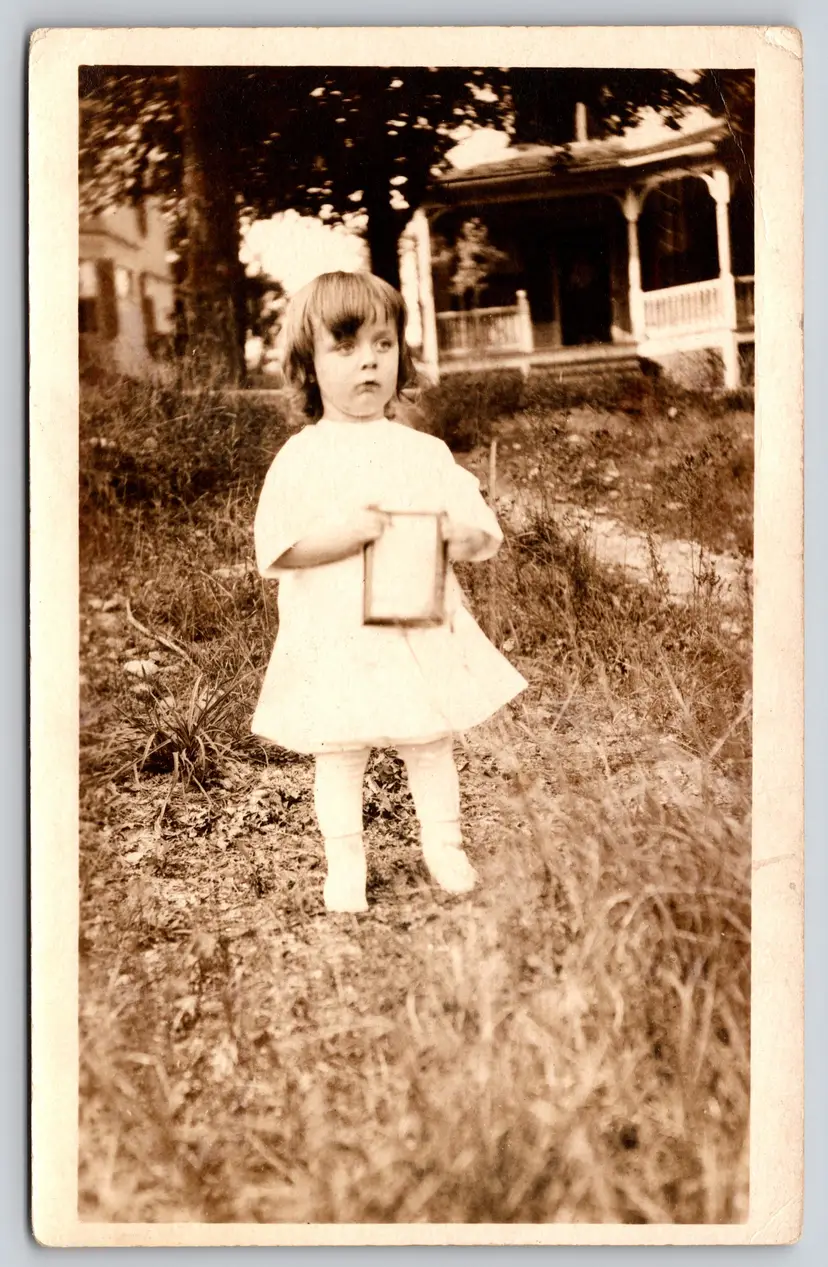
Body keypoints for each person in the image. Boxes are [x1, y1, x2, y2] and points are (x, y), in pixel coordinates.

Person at [252, 271, 526, 913]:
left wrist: (459, 536)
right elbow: (279, 547)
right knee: (341, 750)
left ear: (401, 355)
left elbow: (477, 527)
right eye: (344, 347)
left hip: (414, 625)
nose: (368, 360)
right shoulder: (303, 456)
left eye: (382, 343)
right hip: (335, 632)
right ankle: (345, 860)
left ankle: (444, 845)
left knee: (428, 739)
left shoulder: (422, 450)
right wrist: (344, 535)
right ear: (308, 366)